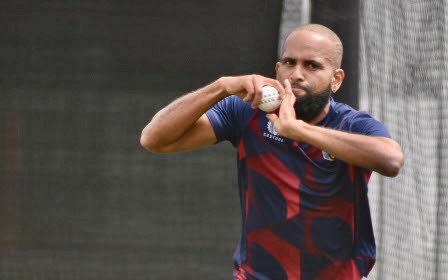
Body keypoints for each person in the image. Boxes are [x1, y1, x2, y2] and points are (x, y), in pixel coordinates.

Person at [140, 24, 404, 280]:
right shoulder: (246, 111)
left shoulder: (352, 124)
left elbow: (391, 160)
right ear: (278, 70)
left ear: (336, 79)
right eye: (289, 63)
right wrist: (220, 86)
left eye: (312, 65)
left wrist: (298, 130)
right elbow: (155, 139)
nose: (297, 74)